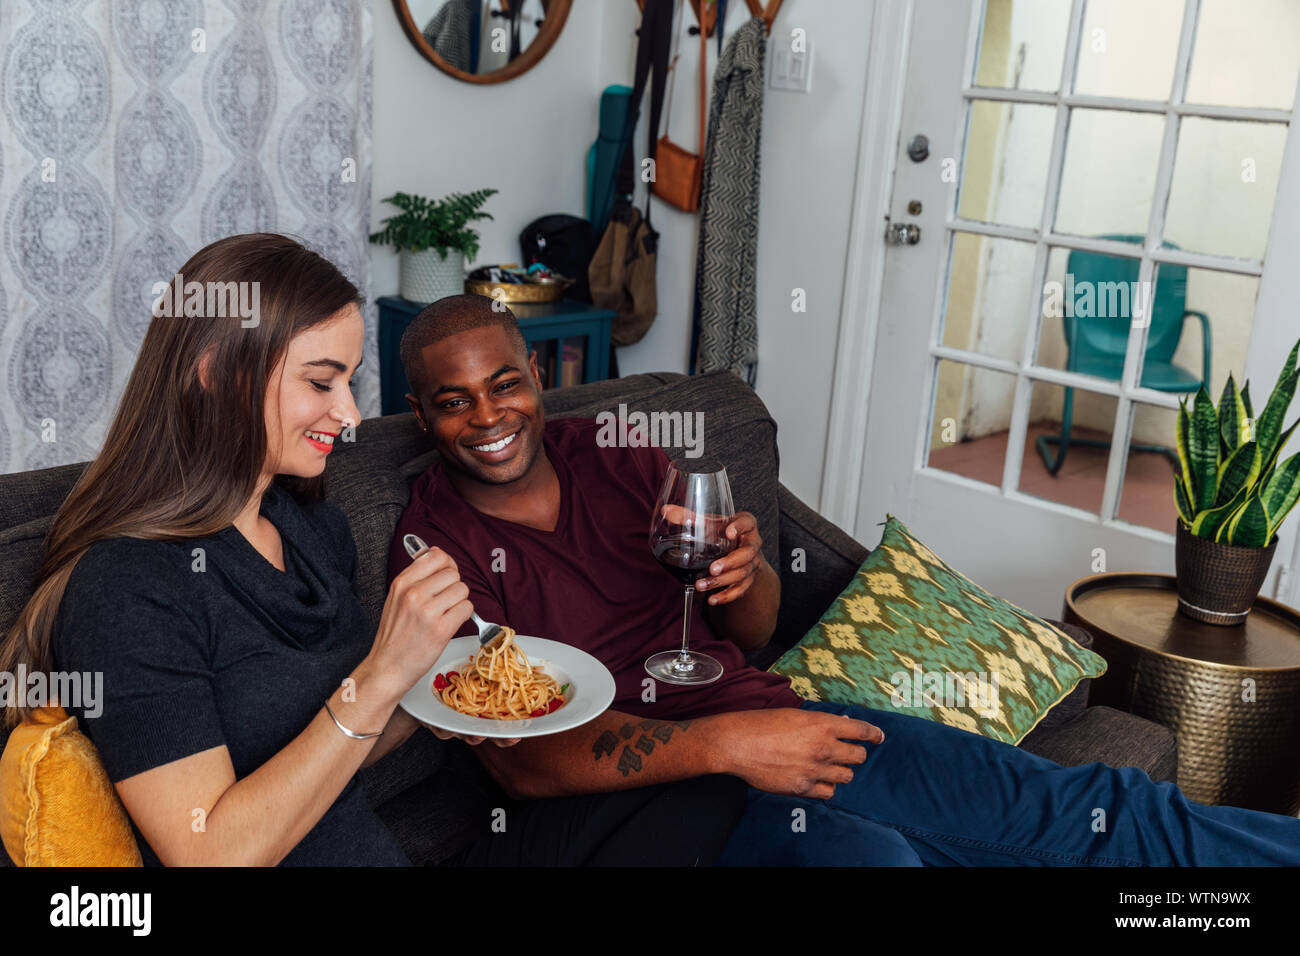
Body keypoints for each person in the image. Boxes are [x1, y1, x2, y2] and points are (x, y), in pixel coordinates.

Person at [389, 293, 1300, 866]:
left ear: (538, 376)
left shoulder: (617, 452)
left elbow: (750, 634)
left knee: (1090, 805)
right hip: (630, 803)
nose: (488, 417)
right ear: (422, 418)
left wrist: (742, 577)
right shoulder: (433, 545)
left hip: (766, 721)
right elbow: (527, 767)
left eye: (504, 384)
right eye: (453, 401)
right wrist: (733, 746)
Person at [0, 235, 746, 867]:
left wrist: (433, 698)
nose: (351, 415)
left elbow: (338, 740)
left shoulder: (307, 527)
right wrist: (385, 669)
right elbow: (210, 851)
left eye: (350, 383)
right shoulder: (129, 587)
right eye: (321, 382)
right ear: (219, 375)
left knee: (719, 805)